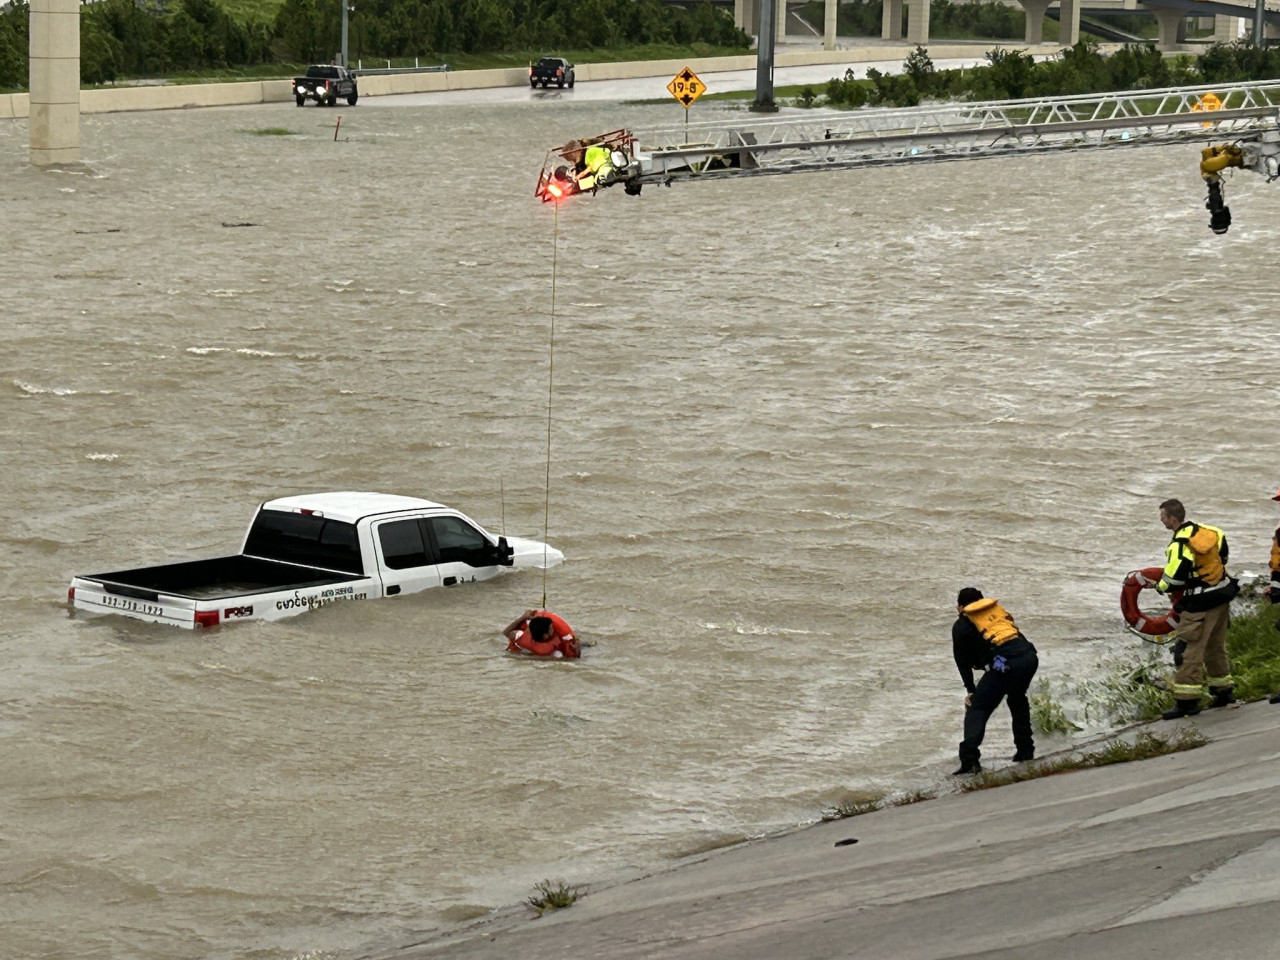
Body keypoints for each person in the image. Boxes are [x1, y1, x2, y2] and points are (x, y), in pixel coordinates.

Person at [1155, 499, 1238, 719]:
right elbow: (1224, 555)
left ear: (1173, 518)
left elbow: (1174, 577)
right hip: (1222, 596)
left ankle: (1187, 702)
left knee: (1187, 652)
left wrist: (1159, 586)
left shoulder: (1179, 545)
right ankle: (1223, 692)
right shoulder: (1210, 531)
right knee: (1216, 647)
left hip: (1200, 604)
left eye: (1162, 516)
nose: (1161, 520)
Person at [951, 587, 1039, 775]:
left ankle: (970, 762)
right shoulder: (996, 614)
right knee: (1017, 698)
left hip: (1005, 665)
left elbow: (962, 661)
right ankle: (1025, 751)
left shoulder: (962, 624)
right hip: (1029, 658)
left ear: (960, 607)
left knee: (978, 708)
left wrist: (971, 690)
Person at [503, 608, 579, 659]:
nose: (554, 628)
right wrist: (577, 651)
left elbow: (506, 632)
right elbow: (571, 660)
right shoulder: (555, 653)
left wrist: (523, 617)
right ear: (545, 636)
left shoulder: (519, 636)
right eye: (551, 628)